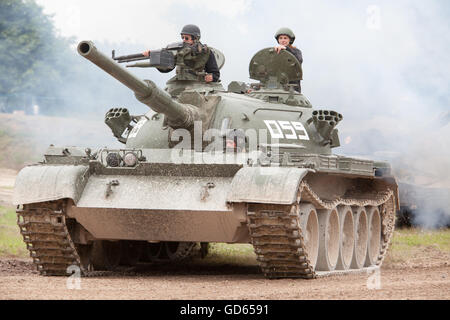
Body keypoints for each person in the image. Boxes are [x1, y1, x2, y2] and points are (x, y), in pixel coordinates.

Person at [143, 24, 220, 83]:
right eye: (182, 37)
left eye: (186, 38)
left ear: (195, 38)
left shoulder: (205, 52)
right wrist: (154, 56)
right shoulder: (178, 50)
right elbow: (167, 68)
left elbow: (215, 74)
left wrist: (211, 77)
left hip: (198, 84)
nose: (184, 40)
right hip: (179, 83)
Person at [274, 27, 303, 92]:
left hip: (292, 89)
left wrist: (286, 49)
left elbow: (298, 61)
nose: (283, 40)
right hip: (276, 87)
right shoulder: (274, 53)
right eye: (280, 38)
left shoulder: (296, 52)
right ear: (278, 40)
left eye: (285, 38)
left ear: (290, 40)